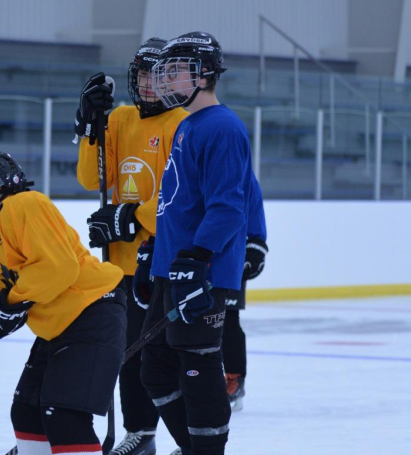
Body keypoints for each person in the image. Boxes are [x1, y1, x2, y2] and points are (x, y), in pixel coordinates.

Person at [0, 150, 125, 455]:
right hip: (57, 329)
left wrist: (10, 302)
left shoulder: (25, 205)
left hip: (93, 311)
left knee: (64, 414)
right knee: (27, 411)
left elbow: (59, 267)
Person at [75, 37, 191, 455]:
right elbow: (92, 179)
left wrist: (132, 217)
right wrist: (90, 127)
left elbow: (182, 197)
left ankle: (193, 439)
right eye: (142, 75)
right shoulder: (120, 119)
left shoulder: (182, 124)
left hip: (164, 260)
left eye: (157, 76)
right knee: (128, 353)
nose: (148, 84)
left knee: (167, 355)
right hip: (121, 264)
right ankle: (140, 433)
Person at [144, 31, 258, 455]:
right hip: (171, 268)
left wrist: (198, 257)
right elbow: (178, 203)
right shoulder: (187, 124)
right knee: (155, 369)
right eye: (166, 70)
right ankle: (193, 447)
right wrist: (152, 256)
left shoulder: (223, 127)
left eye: (176, 70)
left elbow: (228, 206)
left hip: (201, 272)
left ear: (204, 74)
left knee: (198, 364)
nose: (166, 79)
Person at [224, 179, 267, 412]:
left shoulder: (237, 165)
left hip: (231, 251)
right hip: (191, 246)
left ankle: (234, 379)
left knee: (227, 319)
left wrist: (256, 241)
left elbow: (252, 197)